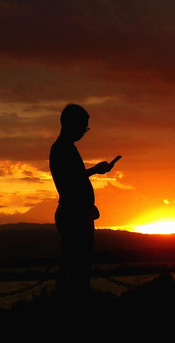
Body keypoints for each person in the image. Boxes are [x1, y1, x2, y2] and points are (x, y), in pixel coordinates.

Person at [49, 104, 120, 297]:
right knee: (77, 268)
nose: (84, 132)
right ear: (71, 124)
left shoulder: (66, 148)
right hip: (74, 214)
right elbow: (71, 179)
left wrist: (89, 205)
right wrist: (95, 170)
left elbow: (74, 180)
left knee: (75, 265)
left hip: (78, 211)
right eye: (83, 127)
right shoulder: (62, 148)